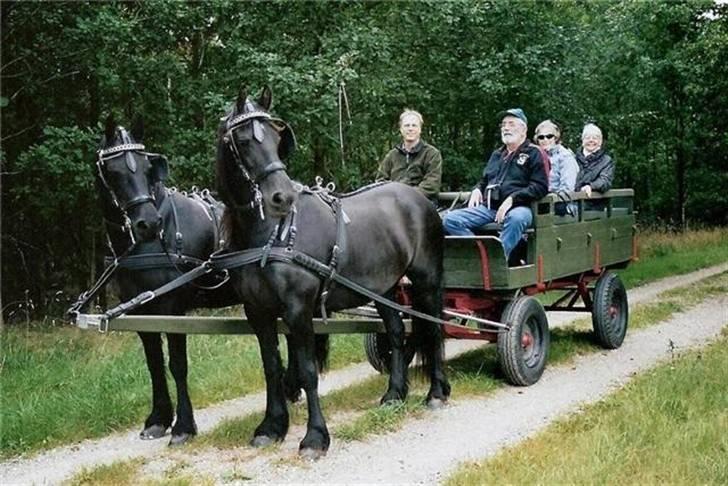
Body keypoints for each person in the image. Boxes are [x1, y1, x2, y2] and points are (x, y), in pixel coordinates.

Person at [442, 108, 548, 260]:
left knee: (517, 219)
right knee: (450, 220)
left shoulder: (534, 153)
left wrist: (513, 198)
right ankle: (481, 256)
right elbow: (485, 180)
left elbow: (541, 186)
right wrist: (477, 189)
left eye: (511, 124)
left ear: (523, 129)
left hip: (520, 207)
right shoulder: (498, 154)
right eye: (504, 124)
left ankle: (498, 260)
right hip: (490, 208)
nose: (506, 128)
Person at [376, 109, 442, 199]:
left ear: (420, 129)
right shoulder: (392, 155)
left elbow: (431, 185)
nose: (410, 129)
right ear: (401, 129)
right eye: (407, 125)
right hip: (394, 202)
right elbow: (380, 181)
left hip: (421, 202)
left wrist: (406, 196)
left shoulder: (432, 154)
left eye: (414, 125)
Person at [534, 119, 578, 216]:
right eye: (541, 137)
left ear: (556, 138)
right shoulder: (535, 156)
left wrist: (548, 198)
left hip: (560, 202)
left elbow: (567, 188)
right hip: (538, 199)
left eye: (549, 136)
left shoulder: (565, 156)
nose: (545, 140)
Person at [575, 123, 614, 197]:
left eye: (595, 138)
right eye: (587, 137)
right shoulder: (573, 158)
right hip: (572, 202)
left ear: (600, 141)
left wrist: (591, 186)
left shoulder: (606, 161)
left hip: (594, 204)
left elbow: (605, 181)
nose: (591, 140)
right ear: (582, 141)